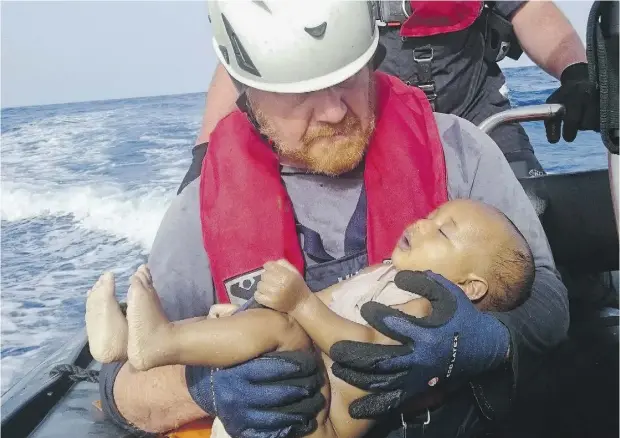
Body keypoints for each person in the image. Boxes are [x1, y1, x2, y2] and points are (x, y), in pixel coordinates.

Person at [96, 2, 569, 437]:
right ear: (249, 95)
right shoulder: (199, 209)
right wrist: (205, 387)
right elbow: (122, 388)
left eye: (348, 80)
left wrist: (483, 340)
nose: (333, 110)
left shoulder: (461, 151)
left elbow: (548, 302)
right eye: (302, 93)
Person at [88, 198, 534, 438]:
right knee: (240, 320)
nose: (419, 223)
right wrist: (247, 318)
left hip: (314, 424)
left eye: (442, 230)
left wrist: (299, 305)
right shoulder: (387, 273)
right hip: (263, 402)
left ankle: (156, 341)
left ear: (471, 288)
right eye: (430, 216)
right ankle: (124, 344)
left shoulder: (426, 314)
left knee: (275, 329)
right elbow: (330, 298)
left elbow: (364, 352)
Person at [194, 1, 599, 180]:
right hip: (373, 129)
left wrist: (577, 72)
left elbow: (533, 10)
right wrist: (204, 154)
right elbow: (251, 52)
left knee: (532, 212)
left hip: (481, 121)